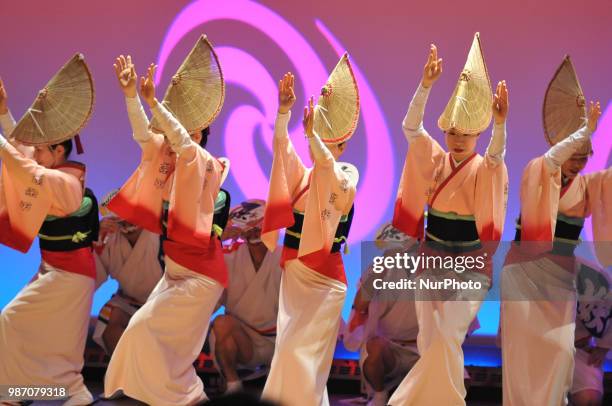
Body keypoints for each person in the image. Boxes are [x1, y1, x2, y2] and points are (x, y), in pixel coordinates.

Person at [103, 37, 231, 405]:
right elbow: (145, 134)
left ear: (198, 131)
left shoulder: (205, 162)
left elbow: (182, 142)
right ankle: (187, 398)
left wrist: (154, 101)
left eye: (182, 129)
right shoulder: (171, 156)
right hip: (176, 272)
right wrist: (131, 96)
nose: (172, 136)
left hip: (202, 277)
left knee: (144, 331)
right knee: (153, 345)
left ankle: (186, 398)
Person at [389, 34, 509, 405]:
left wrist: (501, 125)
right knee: (429, 339)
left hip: (471, 263)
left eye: (466, 133)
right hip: (432, 256)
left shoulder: (486, 167)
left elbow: (496, 155)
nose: (457, 139)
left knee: (450, 334)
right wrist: (425, 86)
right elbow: (411, 128)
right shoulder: (436, 159)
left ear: (478, 133)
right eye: (452, 132)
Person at [500, 55, 608, 406]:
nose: (580, 163)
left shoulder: (590, 186)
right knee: (521, 358)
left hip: (560, 282)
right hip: (524, 274)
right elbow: (550, 162)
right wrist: (582, 131)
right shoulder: (537, 171)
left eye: (585, 156)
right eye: (574, 155)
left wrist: (585, 136)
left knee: (560, 355)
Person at [261, 54, 360, 406]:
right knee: (288, 351)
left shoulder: (346, 176)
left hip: (326, 281)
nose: (316, 143)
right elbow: (281, 148)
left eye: (326, 138)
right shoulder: (300, 176)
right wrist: (284, 112)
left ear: (342, 145)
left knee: (305, 357)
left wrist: (314, 138)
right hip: (296, 273)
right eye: (315, 136)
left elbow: (328, 168)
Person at [0, 55, 98, 406]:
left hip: (70, 275)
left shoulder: (65, 182)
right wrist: (3, 112)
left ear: (59, 151)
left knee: (12, 321)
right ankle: (68, 393)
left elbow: (22, 162)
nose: (37, 154)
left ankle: (13, 395)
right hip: (56, 271)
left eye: (43, 149)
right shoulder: (55, 170)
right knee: (44, 338)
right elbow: (23, 151)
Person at [210, 199, 283, 394]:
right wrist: (217, 241)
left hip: (281, 341)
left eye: (258, 224)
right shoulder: (227, 255)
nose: (253, 231)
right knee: (221, 323)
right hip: (244, 340)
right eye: (247, 226)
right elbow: (205, 292)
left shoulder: (287, 256)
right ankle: (233, 387)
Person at [91, 190, 163, 355]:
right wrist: (94, 235)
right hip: (129, 300)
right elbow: (91, 276)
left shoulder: (160, 234)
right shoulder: (108, 237)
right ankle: (124, 374)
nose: (127, 226)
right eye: (120, 221)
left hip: (164, 303)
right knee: (111, 320)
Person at [570, 260, 612, 406]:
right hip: (539, 351)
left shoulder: (591, 274)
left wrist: (603, 346)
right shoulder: (523, 271)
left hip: (578, 349)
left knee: (589, 399)